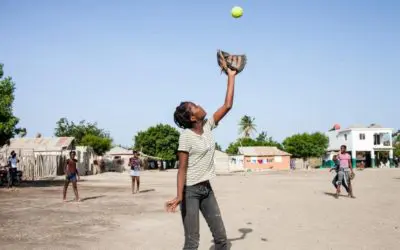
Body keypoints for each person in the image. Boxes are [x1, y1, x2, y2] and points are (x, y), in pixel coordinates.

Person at [165, 61, 238, 250]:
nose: (199, 105)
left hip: (207, 190)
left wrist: (231, 76)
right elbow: (182, 169)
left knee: (221, 240)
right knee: (192, 242)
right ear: (192, 118)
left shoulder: (208, 126)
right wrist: (179, 196)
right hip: (190, 192)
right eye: (195, 106)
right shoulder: (186, 137)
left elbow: (227, 105)